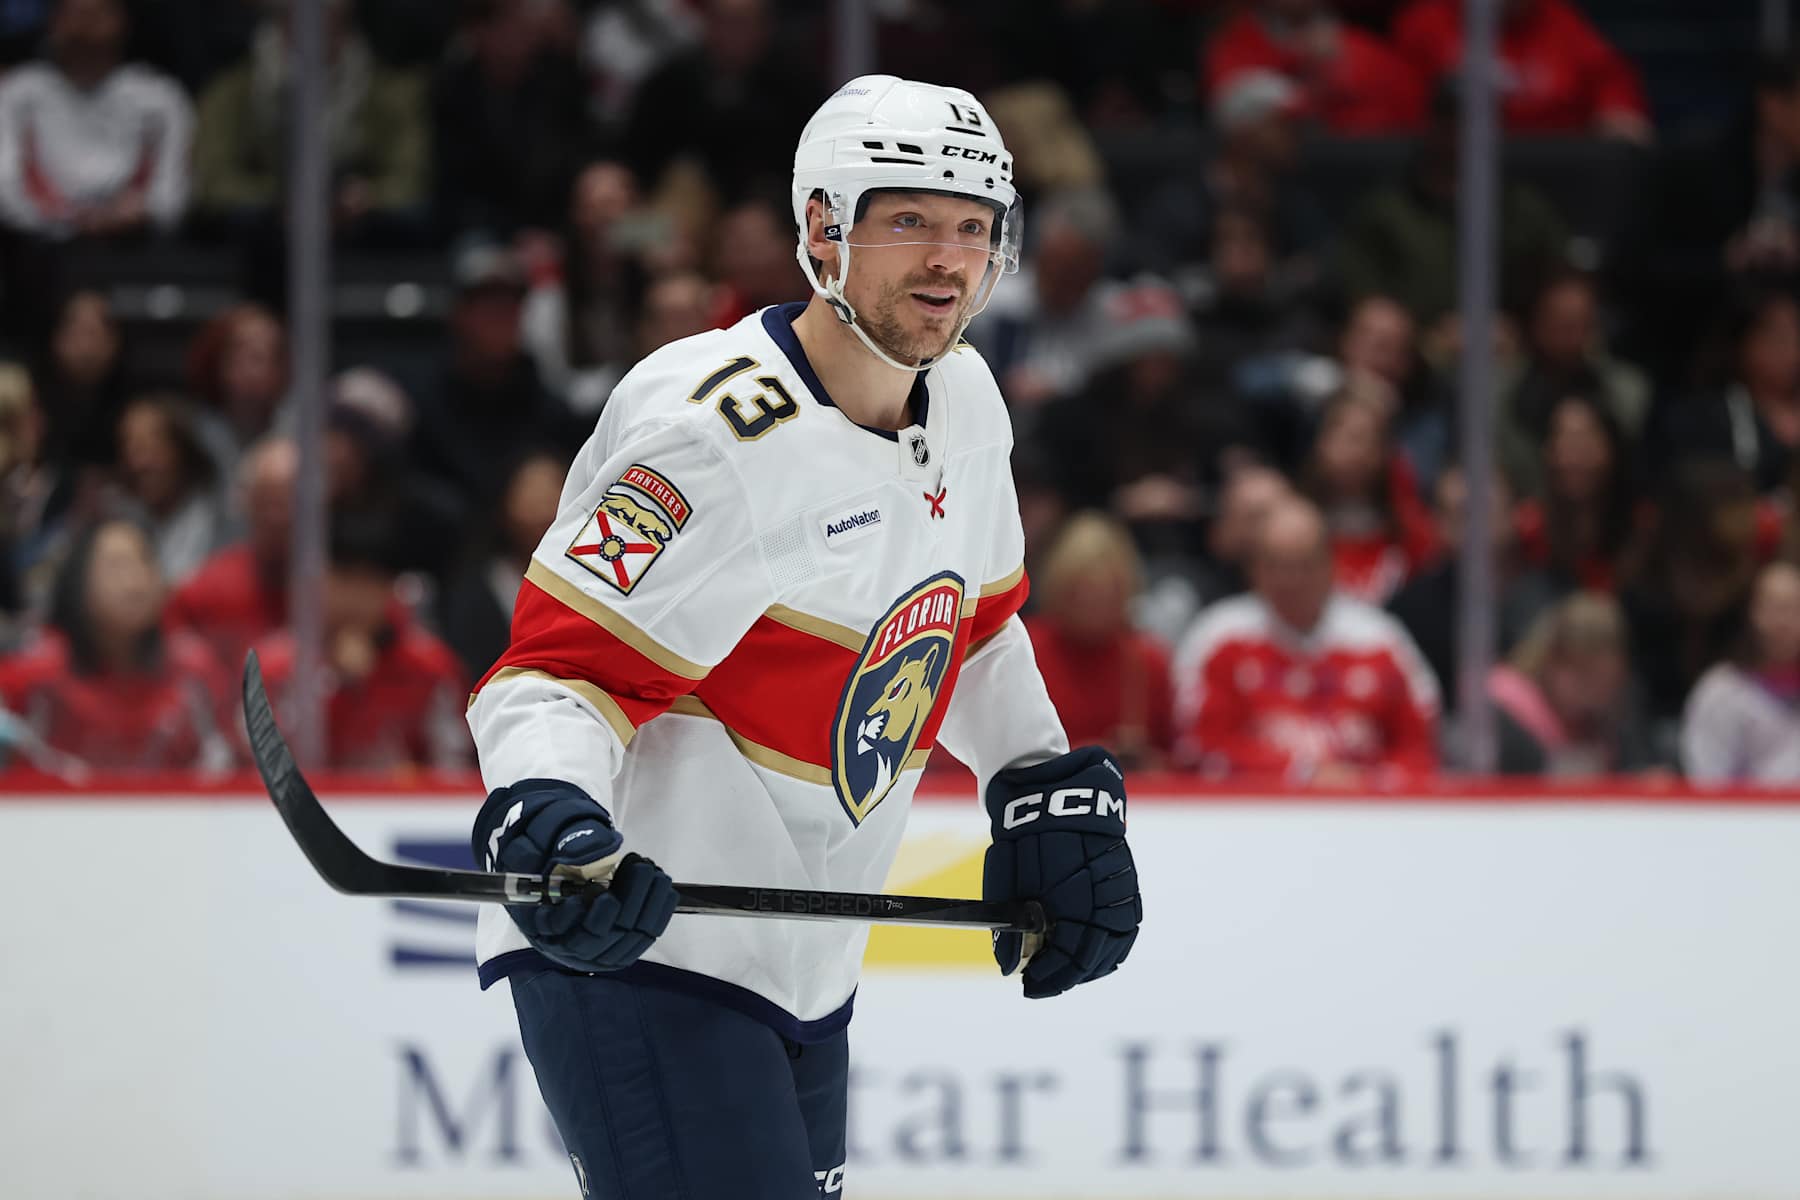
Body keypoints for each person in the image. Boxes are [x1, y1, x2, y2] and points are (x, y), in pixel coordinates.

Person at [465, 76, 1142, 1198]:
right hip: (641, 943)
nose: (948, 260)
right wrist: (549, 821)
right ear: (824, 227)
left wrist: (1036, 780)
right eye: (910, 221)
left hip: (802, 959)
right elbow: (550, 676)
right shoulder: (713, 435)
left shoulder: (966, 401)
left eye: (973, 228)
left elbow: (972, 631)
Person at [1172, 494, 1440, 785]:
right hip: (1252, 817)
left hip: (1366, 815)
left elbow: (1421, 749)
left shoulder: (1380, 640)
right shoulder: (1218, 638)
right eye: (1277, 565)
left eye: (1305, 564)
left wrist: (1370, 783)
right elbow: (1198, 749)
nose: (1292, 579)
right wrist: (1299, 775)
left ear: (1330, 563)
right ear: (1254, 569)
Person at [0, 516, 233, 771]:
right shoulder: (37, 676)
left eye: (144, 562)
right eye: (116, 567)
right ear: (79, 584)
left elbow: (228, 766)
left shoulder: (195, 673)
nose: (134, 582)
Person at [253, 510, 470, 772]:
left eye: (370, 582)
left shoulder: (431, 666)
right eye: (343, 578)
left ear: (392, 588)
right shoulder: (274, 667)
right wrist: (339, 687)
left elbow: (453, 767)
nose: (354, 598)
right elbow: (256, 765)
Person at [0, 0, 193, 239]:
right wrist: (65, 219)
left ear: (121, 20)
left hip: (133, 250)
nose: (85, 24)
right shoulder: (17, 94)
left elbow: (170, 197)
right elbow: (6, 189)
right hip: (41, 250)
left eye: (97, 13)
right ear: (54, 22)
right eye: (75, 13)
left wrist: (138, 212)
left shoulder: (160, 98)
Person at [1023, 512, 1176, 767]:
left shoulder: (1146, 660)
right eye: (1082, 595)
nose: (1094, 608)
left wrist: (1146, 761)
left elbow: (1176, 760)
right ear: (1058, 589)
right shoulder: (1024, 651)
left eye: (1105, 596)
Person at [1391, 0, 1653, 140]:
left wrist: (1619, 123)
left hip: (1548, 187)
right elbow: (1394, 111)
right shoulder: (1425, 24)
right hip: (1448, 186)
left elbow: (1619, 106)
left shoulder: (1566, 26)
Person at [1487, 591, 1661, 777]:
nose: (1595, 696)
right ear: (1554, 662)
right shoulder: (1505, 708)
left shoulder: (1602, 719)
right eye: (1586, 680)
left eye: (1606, 684)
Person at [1681, 559, 1800, 783]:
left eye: (1794, 608)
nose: (1784, 622)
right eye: (1775, 608)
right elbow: (1707, 783)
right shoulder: (1721, 692)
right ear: (1753, 613)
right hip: (1746, 815)